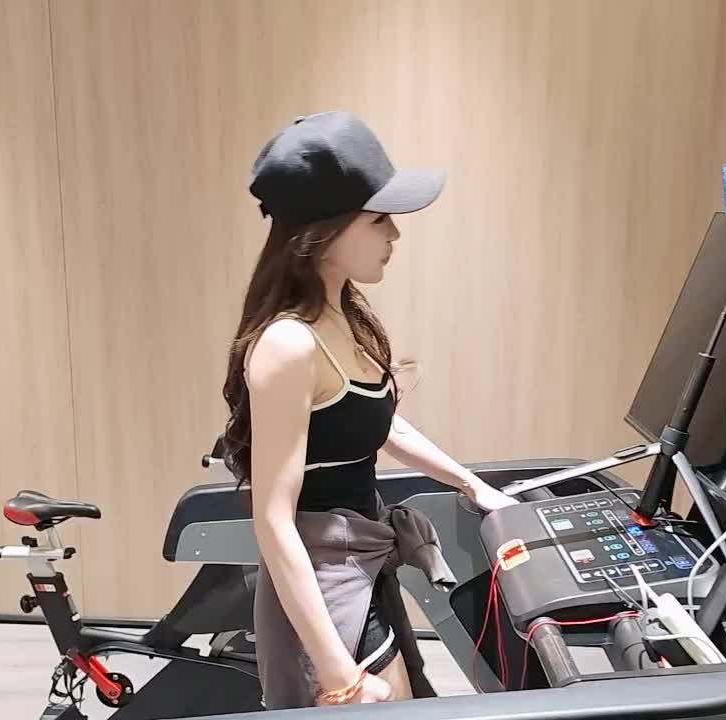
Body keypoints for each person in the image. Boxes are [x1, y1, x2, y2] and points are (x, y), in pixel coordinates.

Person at [220, 111, 517, 708]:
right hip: (323, 583)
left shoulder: (344, 316)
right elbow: (273, 521)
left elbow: (374, 422)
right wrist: (341, 676)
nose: (395, 235)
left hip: (362, 559)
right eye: (379, 219)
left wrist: (472, 485)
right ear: (323, 231)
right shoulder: (288, 344)